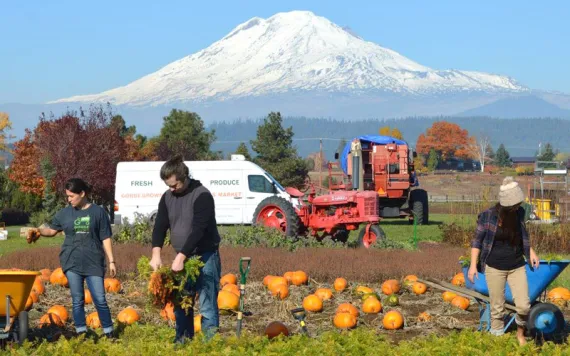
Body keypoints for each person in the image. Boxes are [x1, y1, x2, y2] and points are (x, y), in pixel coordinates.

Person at [149, 155, 222, 344]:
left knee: (207, 304)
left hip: (205, 256)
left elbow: (199, 229)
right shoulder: (167, 197)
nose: (171, 189)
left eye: (174, 185)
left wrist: (181, 256)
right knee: (182, 302)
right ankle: (183, 342)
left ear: (184, 176)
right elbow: (160, 225)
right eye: (168, 186)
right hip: (182, 257)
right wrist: (156, 253)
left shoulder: (202, 195)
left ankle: (209, 346)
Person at [32, 178, 116, 339]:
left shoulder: (98, 213)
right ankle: (81, 333)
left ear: (82, 193)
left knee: (99, 298)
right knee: (77, 299)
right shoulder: (64, 213)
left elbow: (105, 237)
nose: (69, 199)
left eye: (71, 196)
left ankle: (109, 333)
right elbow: (52, 230)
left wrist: (112, 260)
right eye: (67, 196)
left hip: (94, 262)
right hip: (72, 261)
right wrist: (39, 231)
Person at [468, 176, 539, 345]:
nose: (518, 207)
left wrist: (531, 252)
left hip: (516, 265)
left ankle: (520, 334)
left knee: (523, 306)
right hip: (494, 266)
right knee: (497, 308)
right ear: (506, 204)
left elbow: (522, 236)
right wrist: (472, 266)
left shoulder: (519, 213)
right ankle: (497, 341)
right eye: (515, 205)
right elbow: (477, 241)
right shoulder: (487, 216)